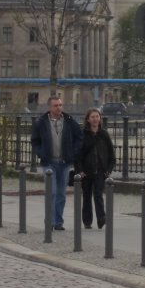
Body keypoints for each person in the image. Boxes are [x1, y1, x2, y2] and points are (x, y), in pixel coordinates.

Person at [31, 96, 82, 230]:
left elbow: (79, 137)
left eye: (60, 105)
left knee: (61, 194)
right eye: (55, 105)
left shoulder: (69, 121)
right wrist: (41, 153)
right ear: (49, 107)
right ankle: (50, 221)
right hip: (49, 162)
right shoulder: (41, 122)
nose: (58, 108)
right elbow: (35, 141)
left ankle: (58, 222)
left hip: (64, 163)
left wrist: (73, 152)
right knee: (51, 192)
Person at [75, 108, 116, 229]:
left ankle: (101, 218)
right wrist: (79, 170)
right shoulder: (82, 134)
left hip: (101, 170)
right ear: (88, 119)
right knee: (87, 195)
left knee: (98, 194)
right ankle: (87, 221)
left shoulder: (104, 134)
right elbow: (78, 155)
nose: (95, 119)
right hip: (86, 171)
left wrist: (108, 169)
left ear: (100, 119)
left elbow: (111, 155)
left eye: (97, 117)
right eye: (92, 117)